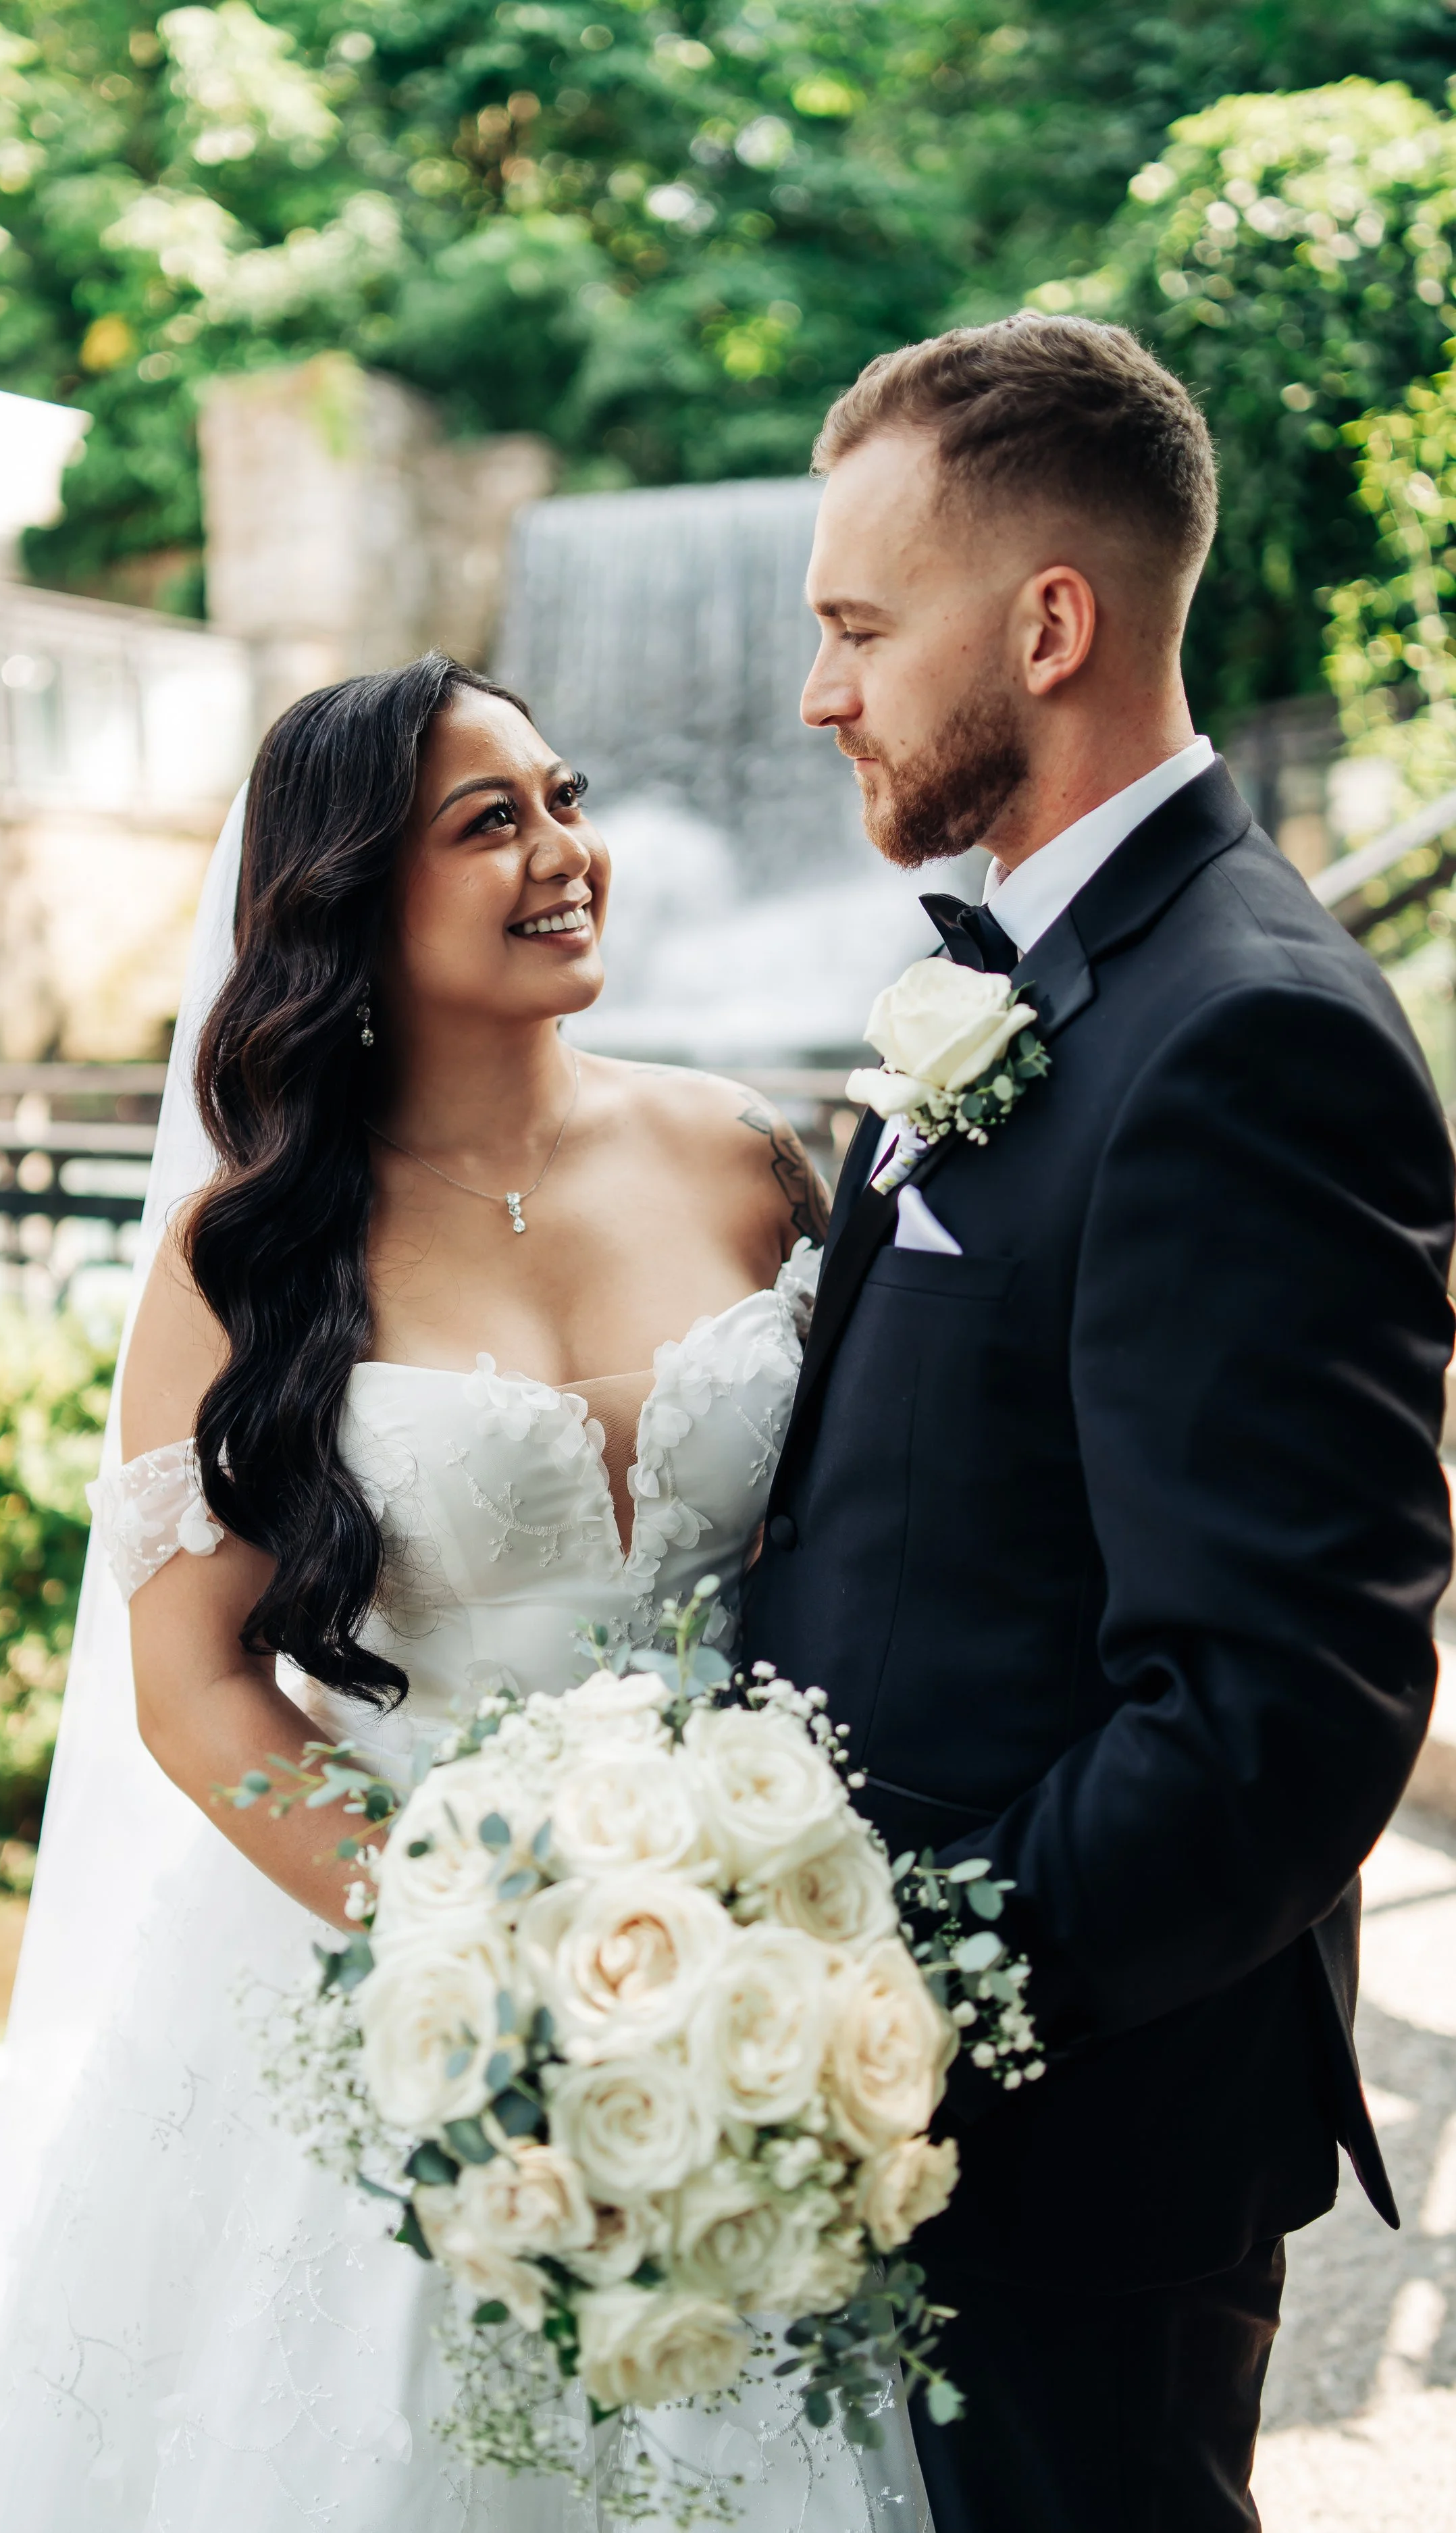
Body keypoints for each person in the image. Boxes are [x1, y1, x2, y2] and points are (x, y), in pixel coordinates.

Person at [0, 655, 931, 2529]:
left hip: (752, 1946)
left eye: (567, 799)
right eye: (494, 823)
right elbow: (195, 1691)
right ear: (348, 899)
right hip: (395, 1965)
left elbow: (874, 1532)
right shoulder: (246, 1253)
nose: (567, 854)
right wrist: (479, 1968)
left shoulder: (733, 1156)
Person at [741, 312, 1456, 2532]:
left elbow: (1272, 1713)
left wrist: (897, 2017)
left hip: (1066, 2154)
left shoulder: (1246, 1034)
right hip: (915, 2132)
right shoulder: (1040, 973)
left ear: (1048, 622)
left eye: (860, 626)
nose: (816, 692)